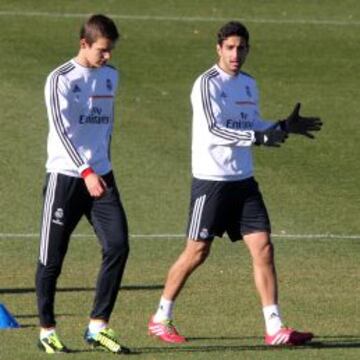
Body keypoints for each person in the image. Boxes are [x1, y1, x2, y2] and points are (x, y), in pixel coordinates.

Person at [148, 21, 322, 346]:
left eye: (241, 47)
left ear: (247, 49)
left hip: (243, 182)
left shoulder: (248, 84)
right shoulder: (206, 85)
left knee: (264, 248)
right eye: (229, 47)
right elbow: (214, 130)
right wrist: (257, 137)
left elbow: (252, 122)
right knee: (197, 251)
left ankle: (274, 328)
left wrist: (282, 125)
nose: (235, 54)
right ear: (218, 49)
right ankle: (160, 317)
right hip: (211, 182)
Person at [35, 14, 130, 354]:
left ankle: (97, 326)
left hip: (102, 177)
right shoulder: (59, 79)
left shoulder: (111, 77)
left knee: (118, 245)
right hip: (67, 177)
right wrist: (85, 170)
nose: (108, 57)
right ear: (84, 44)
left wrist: (99, 168)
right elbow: (61, 131)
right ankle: (47, 330)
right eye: (102, 51)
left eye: (111, 51)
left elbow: (105, 126)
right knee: (52, 257)